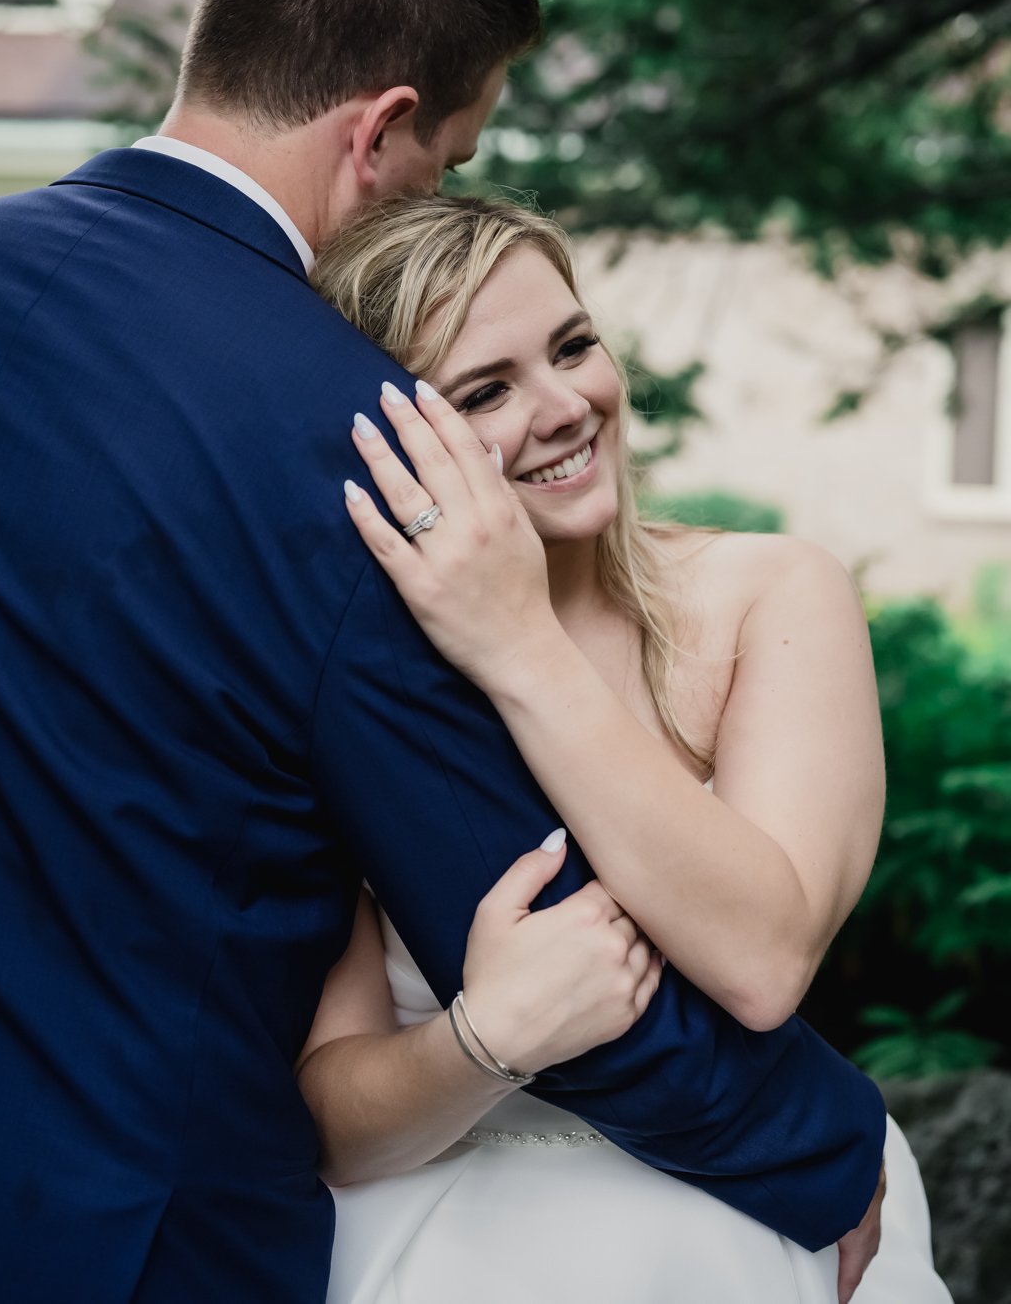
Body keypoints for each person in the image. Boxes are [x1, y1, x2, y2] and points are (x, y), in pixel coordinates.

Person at [0, 0, 884, 1304]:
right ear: (381, 131)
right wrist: (818, 1147)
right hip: (150, 1229)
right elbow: (501, 893)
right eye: (445, 164)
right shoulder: (354, 435)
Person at [304, 194, 952, 1304]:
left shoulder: (770, 596)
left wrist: (517, 643)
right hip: (444, 1231)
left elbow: (761, 959)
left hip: (737, 1212)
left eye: (573, 346)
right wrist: (487, 1038)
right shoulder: (348, 686)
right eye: (486, 390)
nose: (566, 406)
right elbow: (339, 1126)